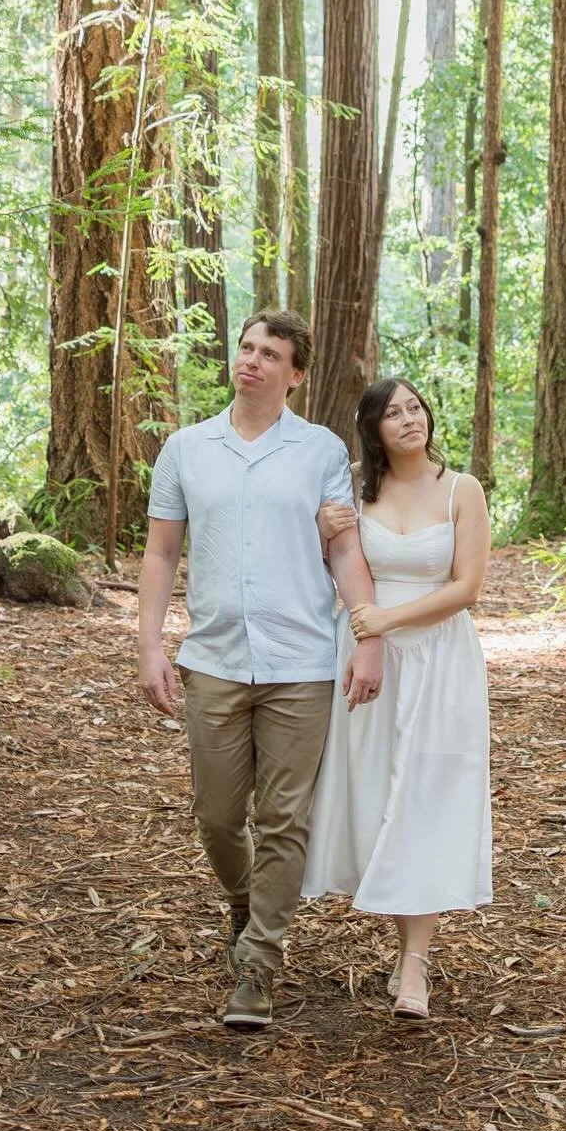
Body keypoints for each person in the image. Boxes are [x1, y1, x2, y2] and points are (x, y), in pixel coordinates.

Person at [136, 310, 384, 1032]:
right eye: (246, 347)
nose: (251, 360)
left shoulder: (320, 451)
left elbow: (343, 548)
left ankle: (259, 963)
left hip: (300, 661)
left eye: (270, 353)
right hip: (212, 659)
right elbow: (160, 553)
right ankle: (244, 901)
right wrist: (150, 645)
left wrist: (367, 634)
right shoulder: (186, 449)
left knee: (283, 818)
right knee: (217, 817)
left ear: (295, 374)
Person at [301, 376, 493, 1021]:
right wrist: (318, 530)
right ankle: (393, 925)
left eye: (415, 408)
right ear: (373, 430)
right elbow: (324, 564)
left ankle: (415, 962)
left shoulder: (462, 490)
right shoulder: (355, 491)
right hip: (368, 659)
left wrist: (386, 618)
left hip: (440, 660)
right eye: (392, 414)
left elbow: (467, 588)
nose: (409, 419)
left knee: (426, 799)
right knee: (378, 791)